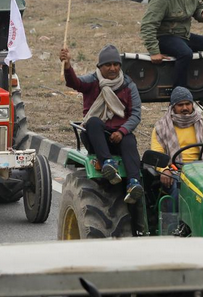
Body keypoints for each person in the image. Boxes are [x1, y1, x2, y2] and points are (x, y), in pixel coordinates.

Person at [60, 44, 144, 204]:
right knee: (93, 122)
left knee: (130, 141)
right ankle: (107, 164)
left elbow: (135, 115)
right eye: (108, 65)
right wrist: (67, 65)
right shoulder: (92, 81)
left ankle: (133, 183)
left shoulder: (129, 86)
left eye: (116, 64)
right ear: (100, 66)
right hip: (96, 136)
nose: (112, 68)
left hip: (119, 136)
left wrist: (122, 131)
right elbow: (75, 83)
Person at [151, 87, 203, 192]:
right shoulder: (160, 128)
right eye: (180, 105)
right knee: (180, 188)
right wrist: (164, 170)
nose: (185, 108)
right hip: (175, 171)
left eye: (188, 104)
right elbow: (157, 154)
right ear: (173, 106)